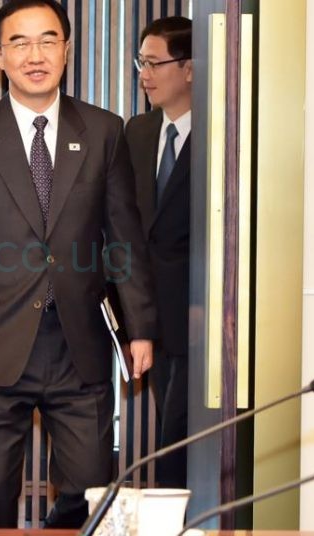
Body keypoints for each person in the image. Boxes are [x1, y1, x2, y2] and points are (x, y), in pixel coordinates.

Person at [0, 0, 157, 528]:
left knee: (91, 492)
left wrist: (139, 328)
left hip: (79, 342)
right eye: (20, 43)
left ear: (67, 49)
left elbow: (123, 237)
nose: (36, 55)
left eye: (48, 40)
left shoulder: (104, 130)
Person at [126, 16, 193, 489]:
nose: (145, 75)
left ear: (189, 68)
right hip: (149, 317)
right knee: (168, 428)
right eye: (141, 64)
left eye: (154, 64)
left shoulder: (222, 132)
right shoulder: (138, 131)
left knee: (179, 441)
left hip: (199, 317)